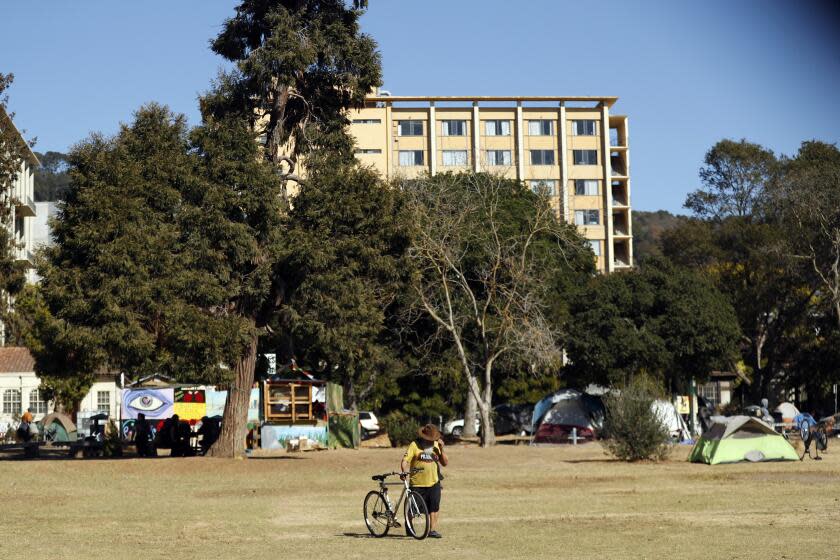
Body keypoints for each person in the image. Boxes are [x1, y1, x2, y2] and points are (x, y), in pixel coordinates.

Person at [400, 423, 448, 539]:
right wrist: (403, 471)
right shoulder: (414, 445)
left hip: (434, 482)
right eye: (430, 439)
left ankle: (432, 530)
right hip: (417, 483)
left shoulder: (437, 445)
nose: (432, 441)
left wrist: (442, 449)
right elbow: (405, 460)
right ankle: (409, 527)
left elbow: (445, 463)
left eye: (433, 439)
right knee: (412, 508)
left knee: (434, 507)